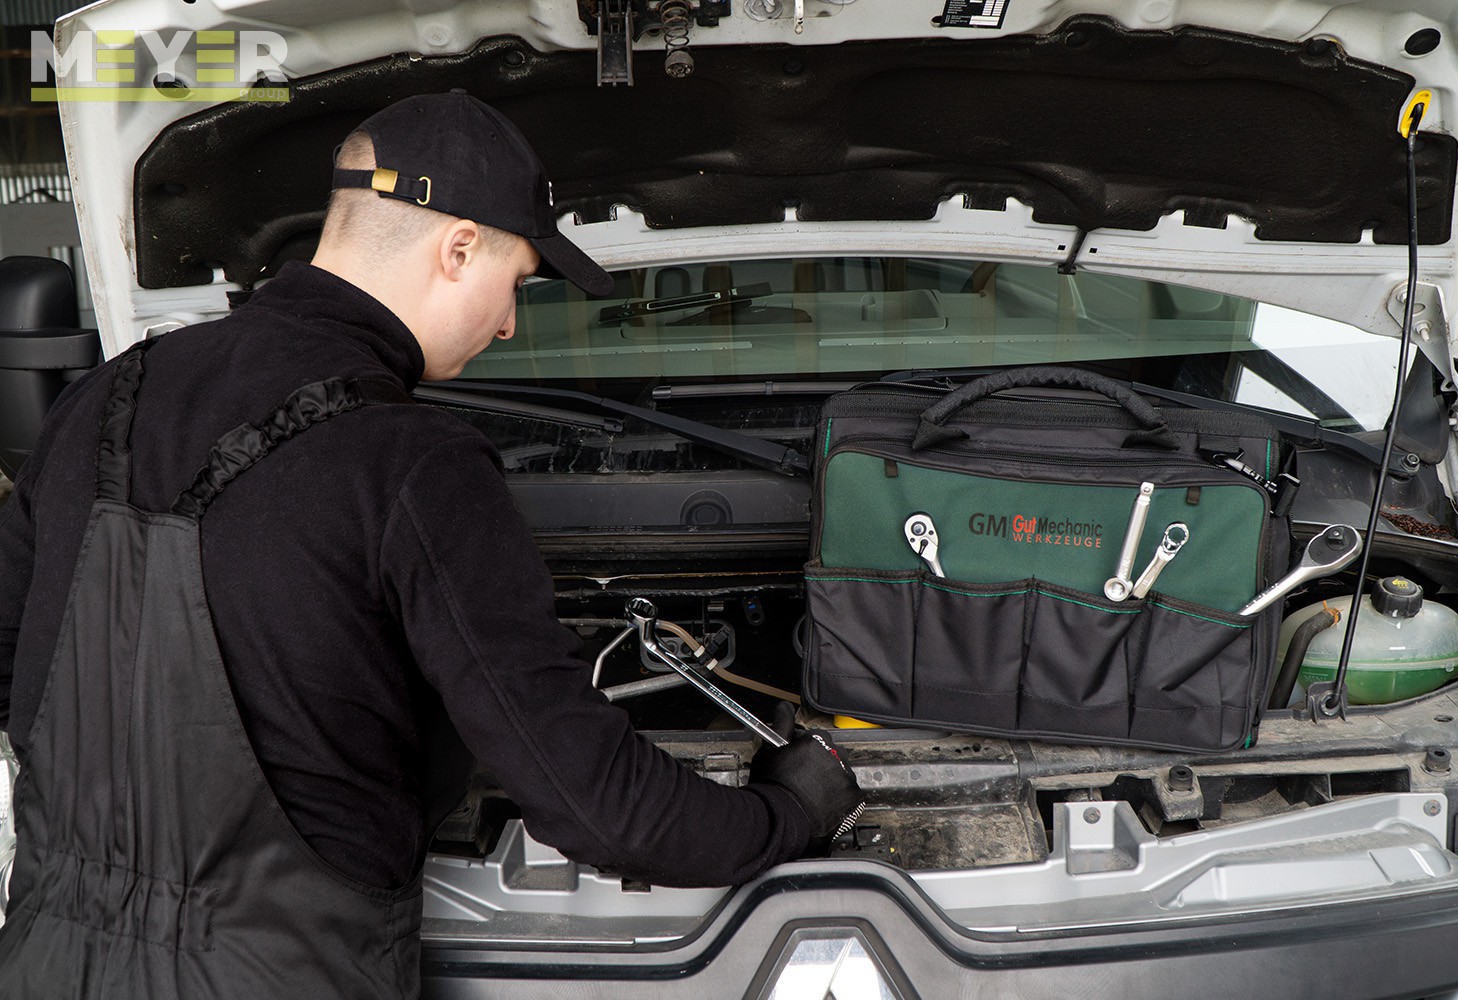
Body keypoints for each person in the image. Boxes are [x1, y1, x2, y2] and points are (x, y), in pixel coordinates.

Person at [0, 91, 863, 999]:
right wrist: (786, 810)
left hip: (46, 963)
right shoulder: (414, 460)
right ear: (457, 248)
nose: (509, 324)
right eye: (516, 283)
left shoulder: (104, 399)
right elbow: (601, 810)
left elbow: (19, 668)